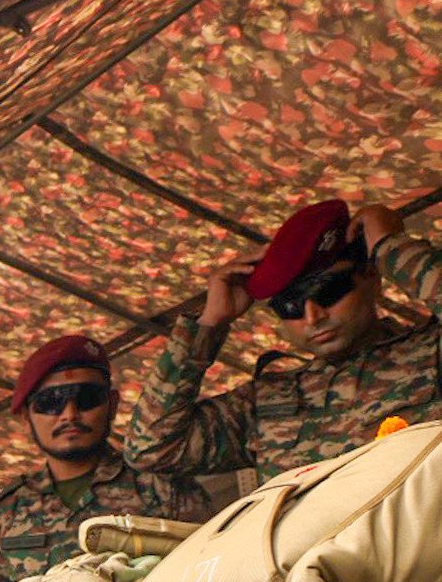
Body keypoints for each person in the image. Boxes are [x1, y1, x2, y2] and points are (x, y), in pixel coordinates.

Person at [126, 198, 442, 484]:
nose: (312, 315)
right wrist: (209, 323)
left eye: (327, 291)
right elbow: (150, 447)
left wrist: (390, 247)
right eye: (289, 305)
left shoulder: (430, 352)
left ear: (372, 276)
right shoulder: (265, 401)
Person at [0, 334, 206, 582]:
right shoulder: (6, 513)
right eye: (51, 403)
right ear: (25, 417)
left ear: (112, 405)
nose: (69, 414)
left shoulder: (162, 485)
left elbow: (206, 575)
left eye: (87, 398)